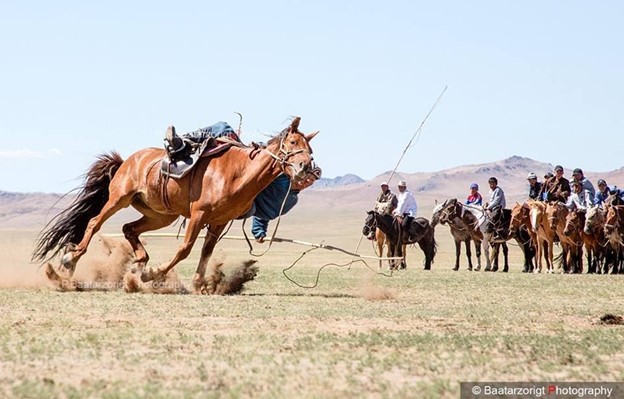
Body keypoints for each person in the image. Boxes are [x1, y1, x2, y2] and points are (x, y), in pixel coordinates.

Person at [162, 121, 321, 243]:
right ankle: (181, 143)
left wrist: (259, 232)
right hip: (247, 176)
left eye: (310, 182)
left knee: (224, 128)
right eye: (308, 178)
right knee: (224, 128)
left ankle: (182, 142)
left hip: (241, 200)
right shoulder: (280, 175)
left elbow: (266, 213)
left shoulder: (290, 200)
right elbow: (274, 155)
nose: (306, 182)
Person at [164, 122, 239, 159]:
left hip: (228, 135)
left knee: (202, 134)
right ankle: (181, 140)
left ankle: (181, 140)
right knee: (204, 134)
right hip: (229, 136)